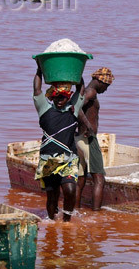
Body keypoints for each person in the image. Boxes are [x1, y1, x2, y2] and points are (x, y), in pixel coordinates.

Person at [33, 66, 86, 221]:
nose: (60, 100)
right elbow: (37, 89)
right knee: (52, 197)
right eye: (57, 98)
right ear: (52, 98)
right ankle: (52, 222)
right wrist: (39, 68)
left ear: (68, 98)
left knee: (70, 190)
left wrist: (78, 70)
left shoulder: (73, 110)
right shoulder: (44, 109)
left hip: (68, 159)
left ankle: (66, 222)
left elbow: (81, 90)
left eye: (63, 97)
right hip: (48, 160)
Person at [75, 66, 114, 210]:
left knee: (81, 179)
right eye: (106, 86)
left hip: (79, 139)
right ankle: (96, 214)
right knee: (99, 179)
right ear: (100, 81)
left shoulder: (85, 91)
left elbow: (75, 109)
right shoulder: (91, 92)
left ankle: (75, 211)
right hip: (89, 140)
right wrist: (88, 125)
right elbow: (76, 108)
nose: (106, 89)